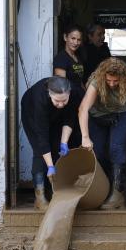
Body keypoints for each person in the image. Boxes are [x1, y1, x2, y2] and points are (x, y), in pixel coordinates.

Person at [78, 58, 126, 210]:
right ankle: (102, 190)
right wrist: (85, 137)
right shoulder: (96, 82)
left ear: (123, 78)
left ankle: (118, 195)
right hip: (98, 116)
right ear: (103, 76)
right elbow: (83, 108)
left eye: (115, 81)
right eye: (108, 80)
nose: (111, 84)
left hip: (121, 114)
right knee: (98, 151)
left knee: (115, 148)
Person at [21, 76, 79, 210]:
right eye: (57, 101)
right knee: (40, 151)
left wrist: (64, 143)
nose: (61, 104)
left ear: (69, 93)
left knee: (55, 146)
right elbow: (41, 136)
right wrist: (50, 166)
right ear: (49, 94)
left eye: (64, 100)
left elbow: (70, 119)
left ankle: (54, 192)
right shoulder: (39, 99)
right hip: (31, 113)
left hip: (55, 116)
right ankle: (40, 197)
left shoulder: (73, 93)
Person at [53, 24, 85, 93]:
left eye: (79, 40)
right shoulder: (61, 58)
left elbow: (79, 81)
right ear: (65, 37)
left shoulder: (78, 57)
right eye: (73, 38)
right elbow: (61, 86)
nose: (76, 43)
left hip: (79, 97)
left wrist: (85, 95)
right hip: (70, 99)